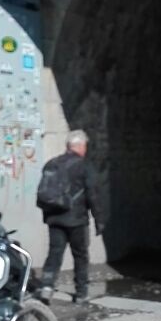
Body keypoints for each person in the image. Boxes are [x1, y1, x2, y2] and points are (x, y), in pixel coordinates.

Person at [36, 130, 104, 305]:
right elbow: (93, 194)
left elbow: (45, 193)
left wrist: (48, 216)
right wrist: (99, 219)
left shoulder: (52, 164)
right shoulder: (84, 166)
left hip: (54, 218)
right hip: (77, 220)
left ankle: (46, 287)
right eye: (85, 146)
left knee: (54, 253)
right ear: (80, 146)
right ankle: (81, 292)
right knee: (80, 255)